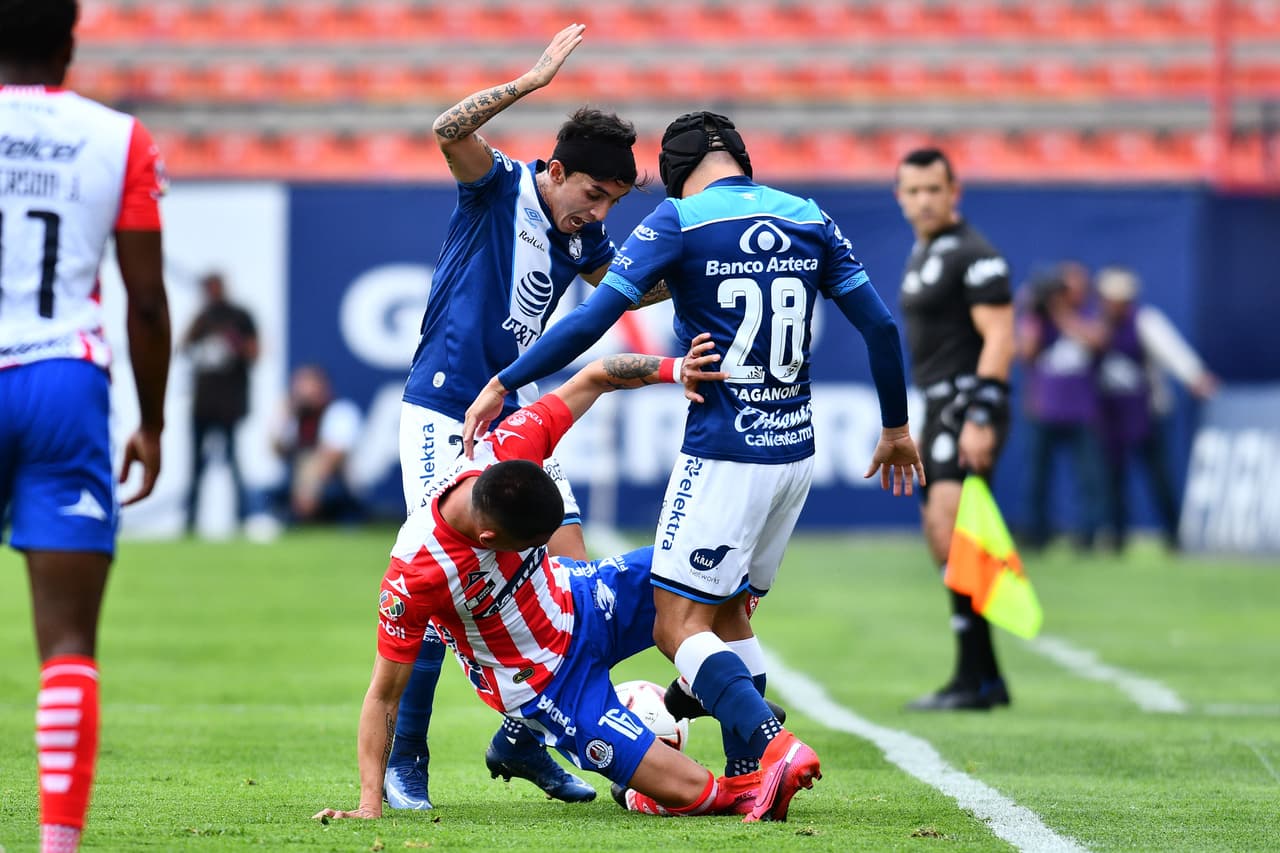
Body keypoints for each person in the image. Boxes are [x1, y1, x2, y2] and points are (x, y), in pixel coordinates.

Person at [463, 111, 924, 821]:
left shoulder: (680, 220)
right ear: (740, 156)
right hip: (794, 451)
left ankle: (770, 742)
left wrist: (506, 379)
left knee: (675, 627)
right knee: (732, 612)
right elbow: (882, 327)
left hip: (723, 449)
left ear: (674, 172)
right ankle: (749, 777)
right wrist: (895, 425)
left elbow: (592, 319)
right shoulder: (809, 215)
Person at [314, 341, 772, 822]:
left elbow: (595, 376)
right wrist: (368, 804)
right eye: (529, 543)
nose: (537, 547)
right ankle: (623, 776)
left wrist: (674, 368)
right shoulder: (416, 572)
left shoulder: (507, 448)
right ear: (489, 538)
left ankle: (700, 700)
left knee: (713, 572)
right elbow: (383, 694)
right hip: (547, 683)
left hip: (586, 597)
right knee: (703, 795)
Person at [388, 23, 649, 809]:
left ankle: (523, 737)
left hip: (518, 413)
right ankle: (407, 762)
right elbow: (446, 128)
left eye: (608, 202)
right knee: (447, 583)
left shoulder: (586, 236)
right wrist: (532, 81)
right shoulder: (497, 184)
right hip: (442, 411)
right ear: (558, 169)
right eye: (592, 194)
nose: (595, 212)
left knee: (568, 575)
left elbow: (629, 289)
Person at [0, 2, 171, 850]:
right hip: (62, 379)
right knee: (67, 639)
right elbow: (143, 299)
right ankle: (57, 845)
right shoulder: (119, 137)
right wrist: (152, 421)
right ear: (69, 43)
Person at [893, 147, 1016, 711]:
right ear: (901, 196)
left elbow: (999, 336)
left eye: (933, 190)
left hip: (966, 405)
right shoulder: (927, 251)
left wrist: (983, 414)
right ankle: (983, 676)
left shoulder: (974, 254)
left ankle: (976, 679)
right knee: (945, 539)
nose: (923, 200)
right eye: (913, 191)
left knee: (956, 532)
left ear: (953, 192)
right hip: (938, 406)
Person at [1095, 266, 1218, 551]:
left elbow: (1172, 351)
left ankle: (1174, 534)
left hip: (1148, 413)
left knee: (1158, 477)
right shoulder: (1097, 325)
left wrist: (1196, 377)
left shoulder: (1145, 321)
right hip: (1112, 415)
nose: (1111, 303)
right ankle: (1116, 536)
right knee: (1113, 478)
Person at [1016, 261, 1112, 551]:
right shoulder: (1039, 319)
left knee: (1089, 478)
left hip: (1082, 410)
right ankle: (1037, 532)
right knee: (1037, 476)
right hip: (1044, 409)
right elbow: (1026, 352)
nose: (1069, 292)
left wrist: (1060, 312)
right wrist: (1033, 310)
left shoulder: (1090, 315)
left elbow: (1097, 340)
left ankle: (1088, 535)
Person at [181, 271, 258, 535]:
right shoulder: (203, 319)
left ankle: (243, 518)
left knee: (233, 464)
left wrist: (234, 342)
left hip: (229, 405)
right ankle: (190, 521)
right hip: (203, 404)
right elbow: (183, 346)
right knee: (196, 466)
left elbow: (255, 352)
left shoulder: (239, 318)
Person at [268, 364, 364, 524]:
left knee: (330, 494)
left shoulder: (340, 412)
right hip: (299, 485)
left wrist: (307, 491)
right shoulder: (295, 417)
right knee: (267, 493)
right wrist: (282, 419)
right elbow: (277, 450)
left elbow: (331, 459)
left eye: (307, 385)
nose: (302, 392)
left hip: (333, 486)